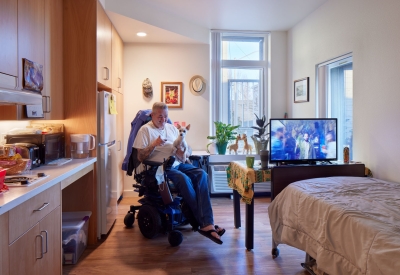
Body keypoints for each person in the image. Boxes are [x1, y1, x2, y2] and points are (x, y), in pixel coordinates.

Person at [133, 102, 225, 244]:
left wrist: (185, 152)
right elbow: (140, 157)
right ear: (152, 115)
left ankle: (207, 222)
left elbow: (188, 148)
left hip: (177, 163)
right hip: (159, 168)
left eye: (166, 116)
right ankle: (205, 224)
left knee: (202, 175)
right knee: (183, 180)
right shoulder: (145, 131)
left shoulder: (172, 129)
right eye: (160, 116)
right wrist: (153, 144)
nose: (163, 119)